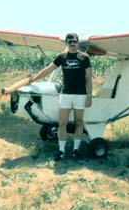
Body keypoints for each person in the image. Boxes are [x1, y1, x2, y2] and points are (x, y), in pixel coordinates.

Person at [28, 33, 92, 161]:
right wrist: (34, 78)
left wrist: (89, 96)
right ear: (66, 44)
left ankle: (76, 150)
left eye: (74, 41)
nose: (72, 43)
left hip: (80, 94)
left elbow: (89, 78)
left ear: (78, 42)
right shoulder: (62, 57)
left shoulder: (84, 57)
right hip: (66, 94)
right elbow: (48, 69)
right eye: (69, 42)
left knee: (79, 122)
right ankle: (61, 151)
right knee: (61, 123)